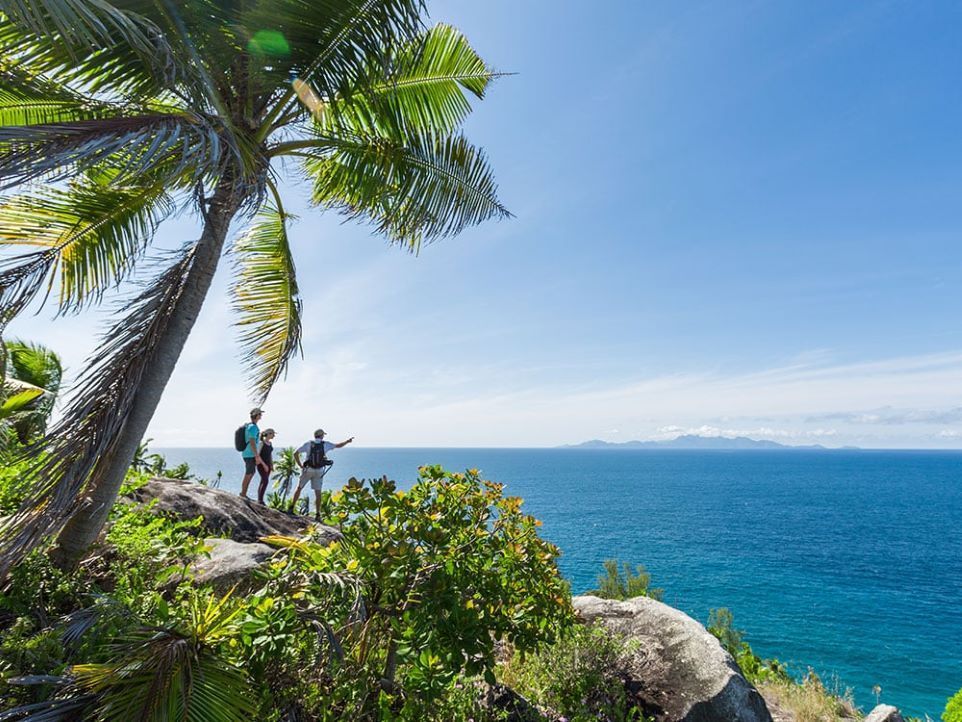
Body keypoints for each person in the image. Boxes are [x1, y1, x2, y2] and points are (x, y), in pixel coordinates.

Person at [289, 428, 354, 519]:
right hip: (319, 471)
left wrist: (300, 465)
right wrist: (347, 441)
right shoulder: (325, 444)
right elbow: (338, 445)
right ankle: (318, 514)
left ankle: (291, 507)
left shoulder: (308, 444)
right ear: (322, 436)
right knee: (318, 492)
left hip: (308, 469)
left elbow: (295, 453)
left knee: (299, 488)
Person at [239, 407, 267, 499]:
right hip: (250, 454)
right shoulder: (253, 427)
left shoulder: (250, 426)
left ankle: (243, 493)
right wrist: (257, 455)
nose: (261, 416)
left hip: (248, 453)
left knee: (251, 472)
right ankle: (243, 494)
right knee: (249, 473)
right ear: (256, 415)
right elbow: (252, 441)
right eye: (260, 414)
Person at [256, 428, 276, 504]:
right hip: (261, 464)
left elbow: (270, 454)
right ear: (269, 434)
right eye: (273, 434)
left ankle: (259, 499)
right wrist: (264, 465)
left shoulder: (270, 443)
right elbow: (258, 455)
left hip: (268, 465)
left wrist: (271, 464)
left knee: (263, 481)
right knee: (265, 481)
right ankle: (260, 500)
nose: (274, 435)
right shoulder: (262, 443)